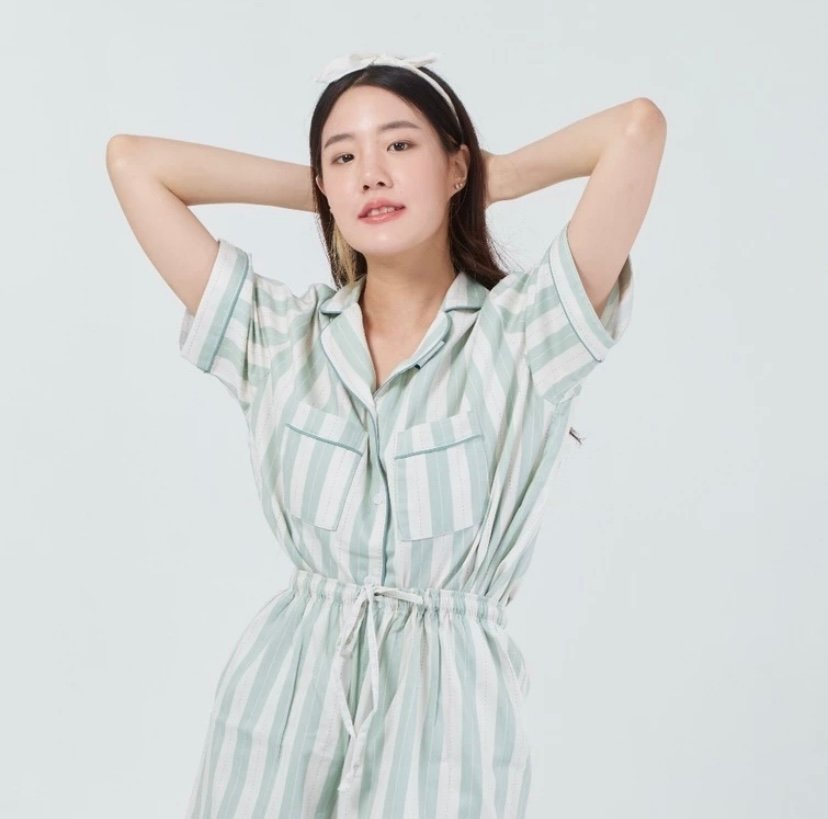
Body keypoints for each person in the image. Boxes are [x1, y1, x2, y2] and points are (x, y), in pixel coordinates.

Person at [106, 51, 665, 819]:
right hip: (280, 714)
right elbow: (133, 164)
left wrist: (494, 176)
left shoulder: (523, 338)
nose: (371, 174)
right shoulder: (281, 338)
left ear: (456, 166)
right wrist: (324, 192)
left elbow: (636, 129)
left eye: (400, 145)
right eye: (344, 157)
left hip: (448, 731)